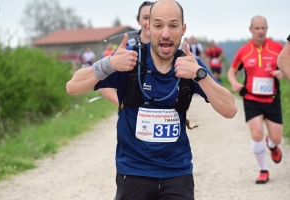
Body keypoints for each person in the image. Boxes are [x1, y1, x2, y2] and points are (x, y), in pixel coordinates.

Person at [66, 0, 237, 199]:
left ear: (183, 29)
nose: (165, 33)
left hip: (177, 172)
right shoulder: (129, 59)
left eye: (173, 26)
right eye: (158, 25)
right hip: (133, 171)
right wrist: (109, 64)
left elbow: (230, 109)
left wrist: (199, 74)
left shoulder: (191, 64)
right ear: (148, 28)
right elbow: (73, 86)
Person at [227, 16, 284, 184]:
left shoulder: (277, 48)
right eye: (257, 28)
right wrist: (234, 83)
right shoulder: (244, 51)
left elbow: (287, 64)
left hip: (272, 98)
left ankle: (272, 145)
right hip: (251, 98)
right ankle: (263, 170)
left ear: (267, 29)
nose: (260, 31)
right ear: (250, 29)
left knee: (277, 138)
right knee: (256, 133)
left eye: (263, 28)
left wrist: (282, 72)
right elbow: (231, 71)